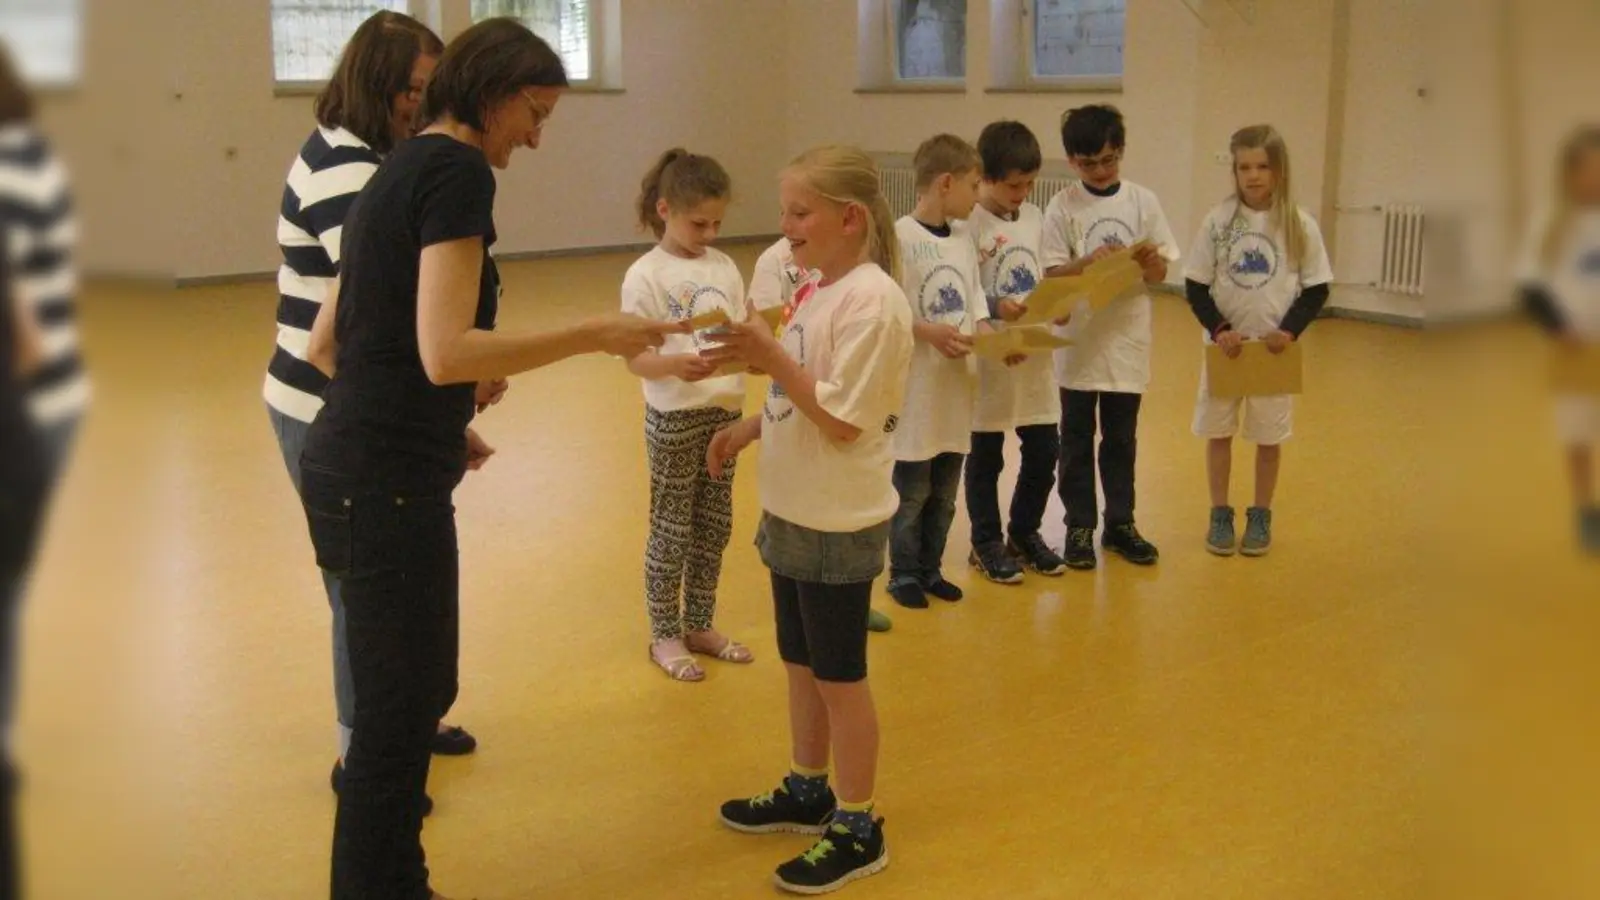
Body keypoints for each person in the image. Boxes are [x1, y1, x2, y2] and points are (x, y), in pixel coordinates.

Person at [298, 19, 679, 899]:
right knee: (398, 718)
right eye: (534, 113)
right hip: (381, 487)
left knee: (419, 689)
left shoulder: (398, 162)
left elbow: (332, 341)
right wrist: (596, 333)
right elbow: (445, 352)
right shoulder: (456, 171)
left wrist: (437, 420)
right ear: (491, 92)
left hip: (362, 466)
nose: (538, 136)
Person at [265, 8, 476, 814]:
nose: (423, 108)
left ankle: (400, 721)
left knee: (380, 594)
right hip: (323, 407)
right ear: (379, 87)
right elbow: (359, 330)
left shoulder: (364, 157)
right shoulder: (349, 171)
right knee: (362, 594)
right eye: (414, 92)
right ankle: (366, 757)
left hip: (349, 401)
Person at [705, 145, 911, 895]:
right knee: (800, 662)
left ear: (848, 217)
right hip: (791, 506)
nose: (785, 225)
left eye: (799, 212)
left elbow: (847, 420)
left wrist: (767, 354)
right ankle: (807, 787)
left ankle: (858, 822)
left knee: (840, 677)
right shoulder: (819, 287)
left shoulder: (874, 302)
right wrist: (750, 427)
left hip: (837, 519)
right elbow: (801, 392)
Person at [621, 148, 753, 680]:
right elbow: (635, 358)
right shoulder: (645, 275)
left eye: (718, 223)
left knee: (714, 525)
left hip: (723, 413)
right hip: (675, 417)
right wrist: (675, 364)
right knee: (672, 527)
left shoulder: (724, 266)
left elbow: (740, 330)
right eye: (699, 222)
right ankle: (665, 634)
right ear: (663, 210)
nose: (710, 233)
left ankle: (700, 623)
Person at [1184, 124, 1333, 556]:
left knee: (1268, 437)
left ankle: (1261, 513)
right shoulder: (1220, 223)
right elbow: (1195, 284)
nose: (1253, 176)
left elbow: (1317, 287)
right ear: (1234, 171)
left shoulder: (1298, 224)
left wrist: (1288, 331)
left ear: (1279, 170)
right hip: (1226, 350)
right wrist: (1219, 328)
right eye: (1244, 167)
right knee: (1219, 432)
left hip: (1272, 352)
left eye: (1262, 166)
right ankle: (1219, 513)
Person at [1042, 104, 1179, 569]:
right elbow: (1052, 274)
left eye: (1110, 160)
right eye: (1089, 163)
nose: (1101, 171)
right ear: (1072, 161)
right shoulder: (1062, 207)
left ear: (1121, 152)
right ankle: (1079, 524)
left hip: (1126, 338)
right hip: (1079, 342)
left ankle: (1121, 523)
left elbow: (1160, 271)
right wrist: (1088, 262)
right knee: (1076, 438)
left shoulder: (1144, 201)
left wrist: (1145, 261)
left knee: (1121, 438)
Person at [964, 120, 1068, 583]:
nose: (1022, 193)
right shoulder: (967, 223)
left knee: (1045, 448)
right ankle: (984, 541)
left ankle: (1024, 531)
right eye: (1012, 185)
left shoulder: (1035, 216)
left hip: (1034, 355)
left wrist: (1057, 307)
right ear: (984, 176)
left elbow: (1042, 277)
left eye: (1028, 184)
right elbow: (962, 291)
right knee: (986, 454)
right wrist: (994, 306)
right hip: (990, 357)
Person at [887, 133, 981, 610]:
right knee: (912, 490)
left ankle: (931, 567)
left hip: (955, 388)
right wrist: (930, 333)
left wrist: (991, 336)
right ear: (946, 183)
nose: (978, 194)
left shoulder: (965, 238)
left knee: (945, 490)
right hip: (918, 389)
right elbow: (889, 308)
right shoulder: (900, 237)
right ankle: (902, 571)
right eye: (973, 183)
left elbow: (975, 298)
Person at [1520, 125, 1600, 553]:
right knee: (1579, 433)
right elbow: (1530, 286)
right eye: (1588, 169)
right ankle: (1587, 509)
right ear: (1570, 174)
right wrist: (1558, 327)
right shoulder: (1551, 222)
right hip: (1574, 350)